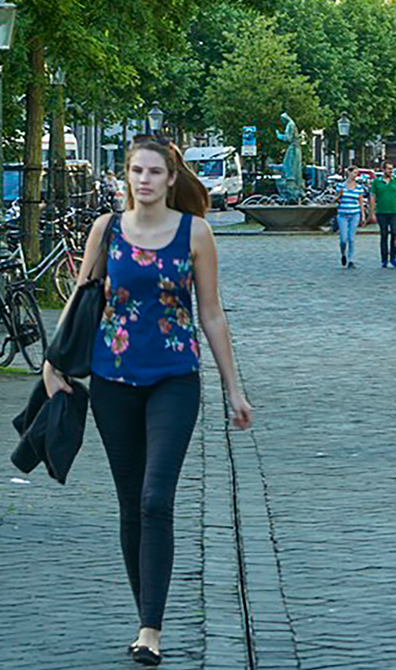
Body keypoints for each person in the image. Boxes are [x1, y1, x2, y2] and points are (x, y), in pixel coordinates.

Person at [44, 136, 252, 668]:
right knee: (132, 503)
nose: (144, 180)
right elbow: (83, 294)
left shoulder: (195, 233)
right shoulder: (106, 229)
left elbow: (211, 313)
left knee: (156, 499)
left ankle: (151, 629)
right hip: (113, 380)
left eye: (154, 172)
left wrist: (233, 387)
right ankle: (146, 616)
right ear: (127, 175)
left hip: (174, 379)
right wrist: (52, 360)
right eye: (136, 171)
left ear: (170, 177)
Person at [369, 161, 396, 270]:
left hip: (394, 211)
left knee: (394, 233)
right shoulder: (376, 182)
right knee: (384, 235)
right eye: (388, 169)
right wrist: (372, 212)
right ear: (383, 169)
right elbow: (372, 197)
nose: (390, 171)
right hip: (381, 212)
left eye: (391, 169)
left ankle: (393, 257)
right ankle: (384, 258)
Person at [335, 166, 364, 269]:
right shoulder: (341, 186)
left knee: (351, 238)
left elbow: (360, 202)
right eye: (354, 173)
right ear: (349, 173)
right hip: (342, 214)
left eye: (357, 173)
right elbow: (336, 200)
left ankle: (350, 259)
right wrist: (339, 195)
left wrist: (363, 215)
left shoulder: (359, 187)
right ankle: (343, 253)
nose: (356, 175)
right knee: (343, 239)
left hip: (354, 214)